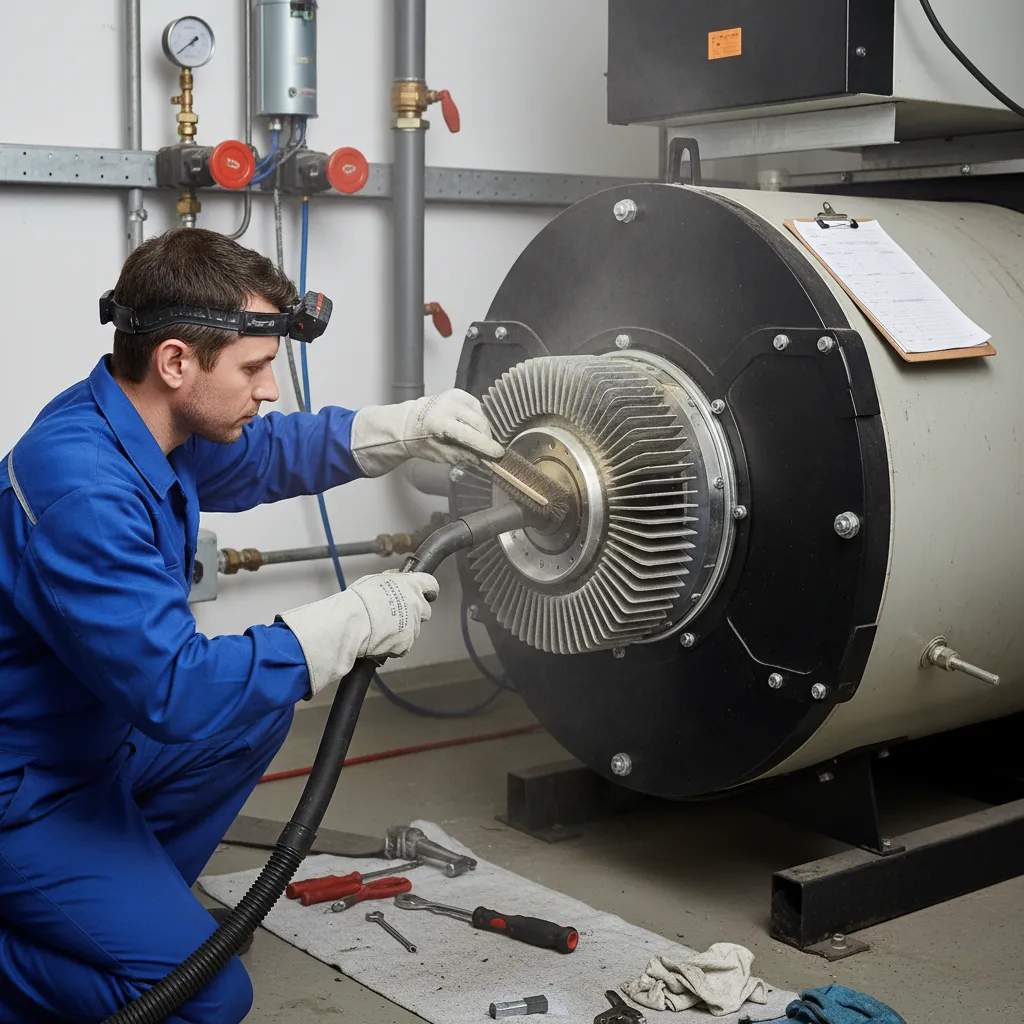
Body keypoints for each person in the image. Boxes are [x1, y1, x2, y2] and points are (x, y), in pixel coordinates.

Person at [0, 228, 504, 1023]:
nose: (269, 390)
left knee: (257, 709)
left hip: (93, 741)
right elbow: (176, 693)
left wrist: (400, 428)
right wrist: (346, 621)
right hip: (25, 791)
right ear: (175, 361)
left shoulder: (143, 423)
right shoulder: (81, 486)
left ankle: (111, 911)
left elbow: (266, 455)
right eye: (255, 368)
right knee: (207, 998)